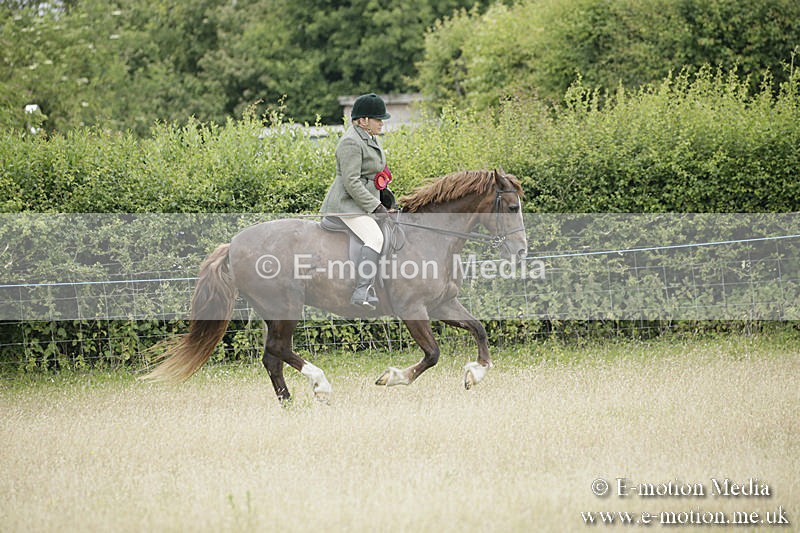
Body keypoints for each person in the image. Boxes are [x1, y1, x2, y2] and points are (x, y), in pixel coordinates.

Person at [320, 93, 393, 310]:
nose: (382, 123)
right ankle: (362, 291)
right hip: (346, 204)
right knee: (375, 237)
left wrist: (386, 195)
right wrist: (375, 206)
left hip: (362, 201)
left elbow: (371, 175)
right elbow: (351, 182)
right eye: (377, 119)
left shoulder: (369, 138)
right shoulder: (351, 142)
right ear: (362, 121)